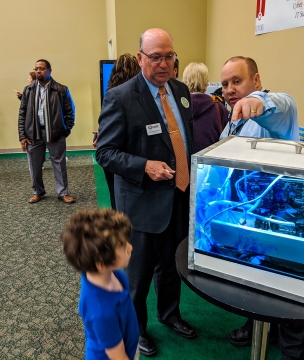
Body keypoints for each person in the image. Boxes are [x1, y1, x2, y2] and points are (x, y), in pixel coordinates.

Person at [96, 28, 196, 357]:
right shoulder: (121, 97)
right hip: (141, 206)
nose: (164, 63)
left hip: (179, 198)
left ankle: (169, 315)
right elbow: (105, 152)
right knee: (137, 278)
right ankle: (137, 329)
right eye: (156, 57)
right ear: (140, 58)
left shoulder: (180, 91)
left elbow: (184, 140)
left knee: (172, 266)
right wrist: (144, 165)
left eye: (169, 56)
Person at [219, 56, 304, 360]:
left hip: (285, 220)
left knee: (288, 288)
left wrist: (256, 101)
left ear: (256, 81)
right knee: (256, 274)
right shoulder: (234, 122)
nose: (230, 89)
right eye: (225, 84)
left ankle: (291, 349)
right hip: (252, 217)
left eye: (238, 81)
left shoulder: (277, 110)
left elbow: (281, 104)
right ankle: (256, 324)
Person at [60, 208, 140, 360]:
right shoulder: (101, 312)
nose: (130, 247)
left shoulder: (111, 272)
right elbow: (118, 357)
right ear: (101, 264)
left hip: (128, 344)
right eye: (123, 247)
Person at [18, 59, 75, 204]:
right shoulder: (29, 90)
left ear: (49, 70)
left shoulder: (61, 89)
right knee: (34, 165)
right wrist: (22, 135)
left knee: (59, 163)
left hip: (55, 133)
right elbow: (22, 113)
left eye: (42, 68)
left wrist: (65, 130)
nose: (38, 71)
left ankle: (63, 192)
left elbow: (70, 112)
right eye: (36, 69)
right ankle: (37, 191)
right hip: (34, 134)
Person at [94, 53, 140, 210]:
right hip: (131, 155)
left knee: (115, 196)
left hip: (112, 156)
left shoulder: (111, 94)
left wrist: (101, 135)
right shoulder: (138, 96)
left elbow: (107, 124)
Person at [182, 62, 229, 152]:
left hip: (183, 164)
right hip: (210, 164)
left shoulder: (175, 108)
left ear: (184, 81)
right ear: (206, 82)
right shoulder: (219, 109)